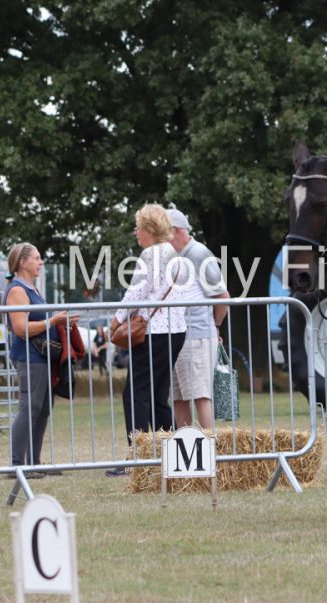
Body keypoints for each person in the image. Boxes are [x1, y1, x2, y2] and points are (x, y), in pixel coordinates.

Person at [107, 204, 188, 476]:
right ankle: (175, 455)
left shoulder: (150, 254)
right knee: (158, 397)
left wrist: (116, 320)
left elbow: (136, 292)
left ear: (150, 230)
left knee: (136, 394)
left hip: (154, 332)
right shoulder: (176, 255)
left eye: (139, 227)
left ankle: (139, 460)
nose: (136, 232)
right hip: (176, 331)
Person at [4, 243, 79, 476]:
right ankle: (18, 465)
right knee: (30, 407)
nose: (40, 262)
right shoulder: (18, 290)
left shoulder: (32, 289)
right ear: (22, 262)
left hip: (42, 357)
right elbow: (20, 328)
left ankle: (34, 463)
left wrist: (61, 323)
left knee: (43, 409)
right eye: (36, 258)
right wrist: (53, 321)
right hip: (29, 356)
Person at [168, 207, 229, 430]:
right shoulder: (177, 257)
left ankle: (209, 443)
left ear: (175, 231)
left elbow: (222, 296)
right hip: (180, 336)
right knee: (178, 397)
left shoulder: (198, 253)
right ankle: (186, 444)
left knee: (200, 395)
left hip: (197, 335)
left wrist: (216, 325)